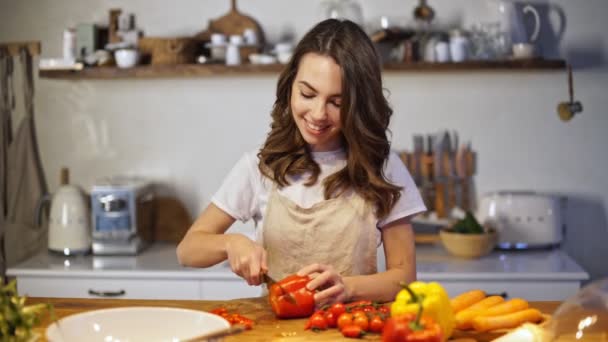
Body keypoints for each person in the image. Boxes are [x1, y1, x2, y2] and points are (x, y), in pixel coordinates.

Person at [177, 18, 426, 306]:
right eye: (307, 94)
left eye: (337, 102)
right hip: (274, 332)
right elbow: (188, 250)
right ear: (290, 86)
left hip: (351, 329)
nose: (318, 113)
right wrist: (231, 243)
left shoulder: (383, 167)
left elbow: (405, 278)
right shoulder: (260, 167)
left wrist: (348, 288)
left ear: (360, 104)